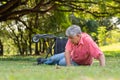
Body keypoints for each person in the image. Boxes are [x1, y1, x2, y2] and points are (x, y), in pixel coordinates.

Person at [37, 25, 105, 66]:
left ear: (78, 36)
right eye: (68, 37)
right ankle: (45, 61)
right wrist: (69, 65)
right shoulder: (71, 39)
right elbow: (67, 51)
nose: (69, 39)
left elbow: (100, 54)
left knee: (61, 62)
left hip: (80, 62)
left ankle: (51, 62)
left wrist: (102, 67)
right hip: (72, 55)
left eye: (71, 38)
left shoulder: (88, 41)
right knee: (54, 58)